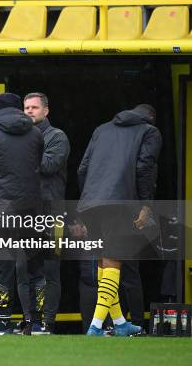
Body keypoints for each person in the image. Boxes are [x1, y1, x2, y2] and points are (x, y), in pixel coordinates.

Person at [78, 104, 161, 337]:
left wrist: (87, 202)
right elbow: (144, 167)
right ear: (151, 118)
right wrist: (146, 205)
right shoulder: (149, 131)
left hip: (91, 202)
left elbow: (83, 168)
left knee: (105, 263)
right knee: (114, 261)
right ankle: (95, 326)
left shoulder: (101, 130)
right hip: (121, 202)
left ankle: (120, 322)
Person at [0, 93, 44, 335]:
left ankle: (3, 322)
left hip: (0, 207)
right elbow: (39, 163)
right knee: (35, 266)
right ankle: (37, 323)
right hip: (32, 208)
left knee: (3, 267)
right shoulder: (36, 133)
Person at [16, 92, 70, 335]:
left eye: (34, 107)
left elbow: (48, 166)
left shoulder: (57, 136)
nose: (29, 111)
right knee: (24, 269)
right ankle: (31, 322)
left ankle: (48, 323)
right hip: (26, 211)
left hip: (52, 212)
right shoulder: (21, 139)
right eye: (26, 107)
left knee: (50, 270)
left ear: (46, 111)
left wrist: (23, 151)